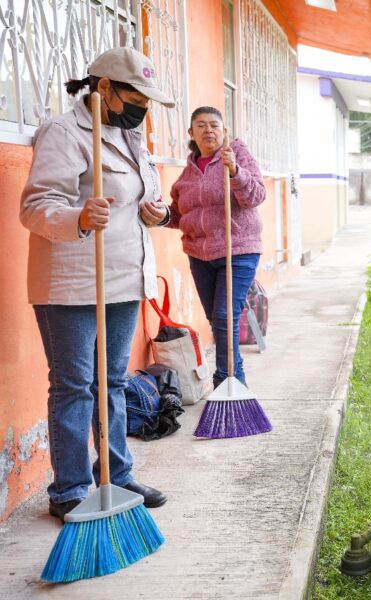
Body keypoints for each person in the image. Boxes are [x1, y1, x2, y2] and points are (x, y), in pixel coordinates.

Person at [20, 46, 173, 521]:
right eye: (136, 98)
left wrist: (157, 212)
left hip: (124, 278)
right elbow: (36, 207)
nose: (142, 109)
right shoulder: (64, 132)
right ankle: (68, 490)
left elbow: (145, 194)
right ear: (104, 87)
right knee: (74, 386)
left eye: (147, 102)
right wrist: (79, 216)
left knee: (112, 382)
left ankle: (116, 474)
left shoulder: (129, 135)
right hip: (72, 283)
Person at [168, 107, 265, 390]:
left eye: (214, 125)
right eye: (201, 125)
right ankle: (233, 380)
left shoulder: (237, 154)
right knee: (217, 319)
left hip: (239, 249)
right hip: (200, 254)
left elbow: (256, 196)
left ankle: (228, 381)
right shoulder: (188, 171)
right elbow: (179, 215)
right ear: (191, 133)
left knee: (224, 317)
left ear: (224, 131)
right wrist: (158, 214)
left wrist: (235, 171)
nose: (208, 130)